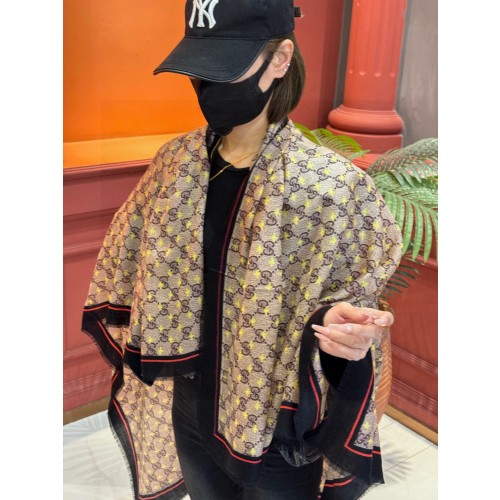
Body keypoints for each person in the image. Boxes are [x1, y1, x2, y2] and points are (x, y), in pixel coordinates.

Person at [82, 1, 403, 499]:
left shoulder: (332, 187)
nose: (207, 85)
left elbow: (348, 300)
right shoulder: (175, 164)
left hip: (275, 420)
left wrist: (343, 328)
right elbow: (126, 261)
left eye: (224, 67)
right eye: (199, 69)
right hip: (189, 401)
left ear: (280, 60)